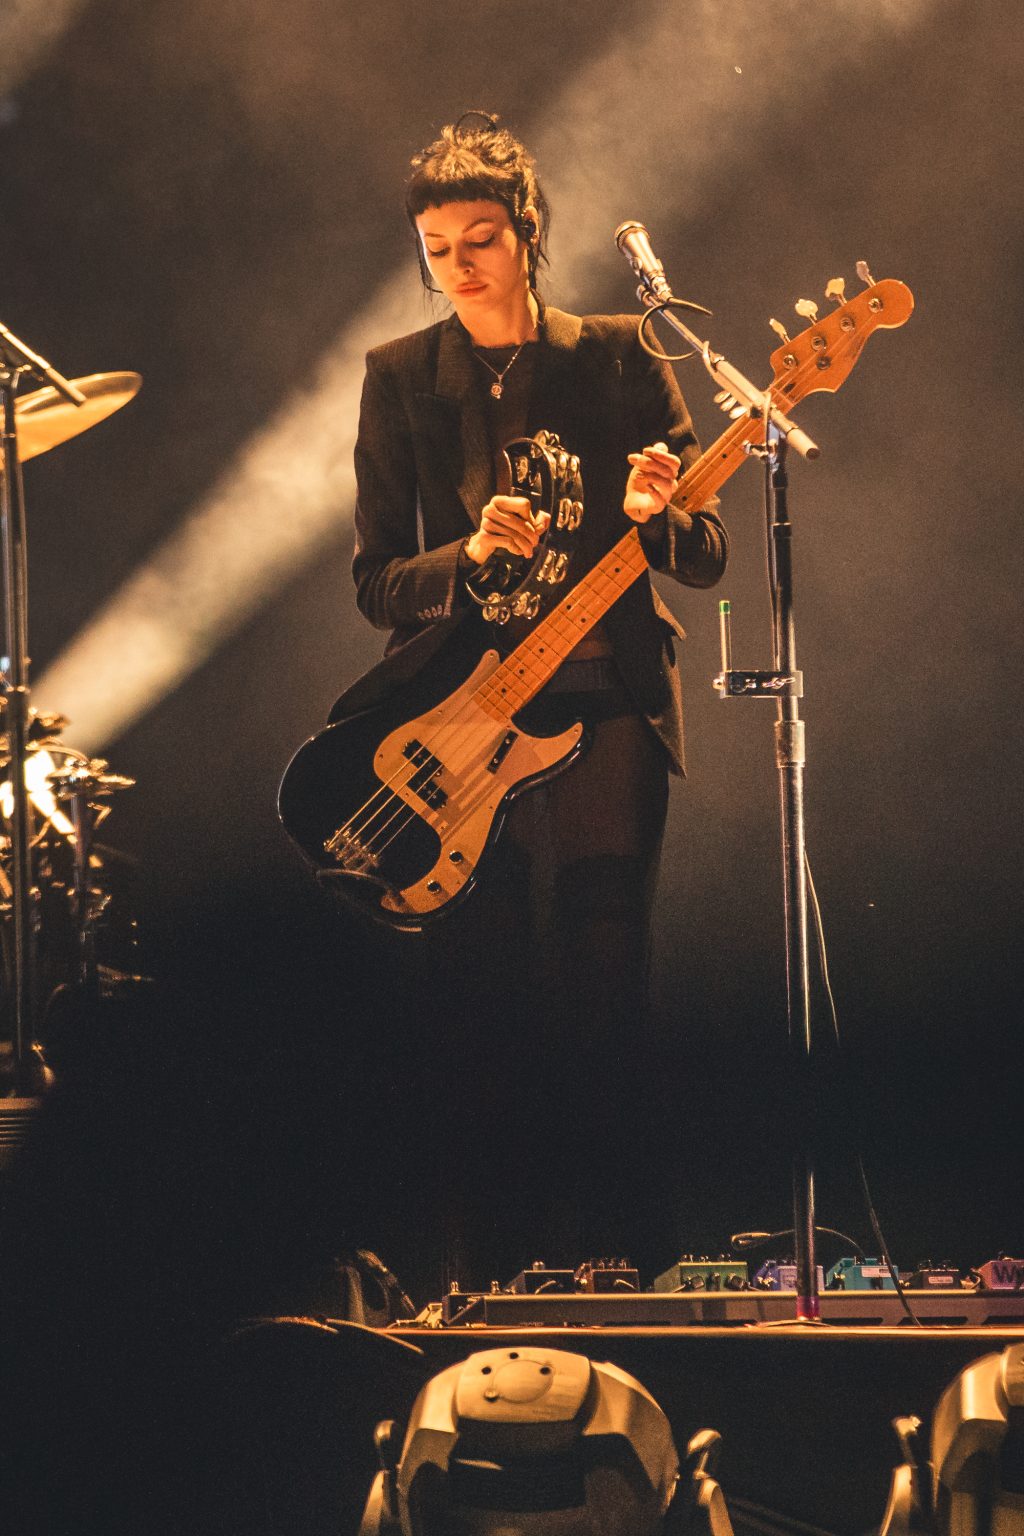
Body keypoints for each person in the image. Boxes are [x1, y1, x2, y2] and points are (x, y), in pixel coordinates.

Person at [346, 112, 728, 1282]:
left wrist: (657, 515)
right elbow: (375, 584)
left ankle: (626, 1266)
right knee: (481, 995)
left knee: (605, 981)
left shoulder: (616, 356)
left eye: (480, 238)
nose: (460, 265)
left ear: (526, 234)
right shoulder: (399, 377)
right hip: (467, 716)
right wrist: (465, 556)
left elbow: (704, 551)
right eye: (437, 248)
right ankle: (491, 1274)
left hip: (605, 700)